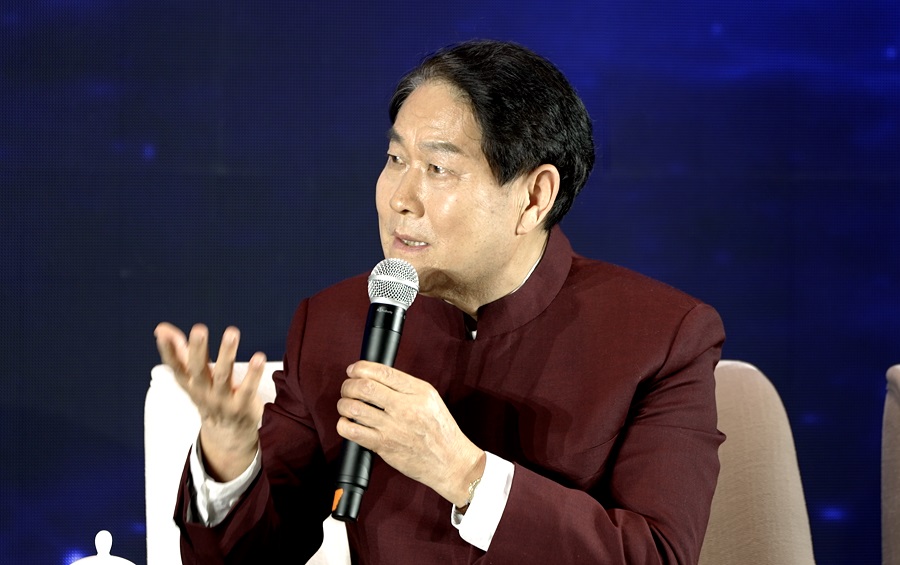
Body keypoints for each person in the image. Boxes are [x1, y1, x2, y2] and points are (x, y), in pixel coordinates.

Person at [155, 39, 725, 564]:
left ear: (535, 196)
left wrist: (466, 473)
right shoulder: (335, 322)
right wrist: (229, 457)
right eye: (395, 159)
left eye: (437, 168)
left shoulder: (661, 336)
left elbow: (656, 555)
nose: (400, 199)